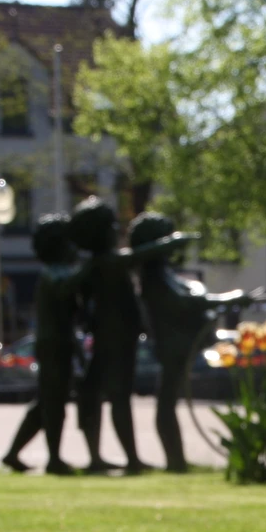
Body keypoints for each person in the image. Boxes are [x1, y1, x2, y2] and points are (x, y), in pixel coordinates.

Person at [128, 211, 254, 473]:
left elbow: (191, 294)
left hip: (182, 343)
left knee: (168, 399)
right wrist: (227, 298)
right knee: (167, 400)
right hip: (172, 345)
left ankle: (177, 460)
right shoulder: (153, 277)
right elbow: (185, 301)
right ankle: (175, 461)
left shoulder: (162, 273)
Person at [1, 214, 88, 475]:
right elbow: (65, 288)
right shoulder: (54, 274)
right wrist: (92, 268)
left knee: (46, 404)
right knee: (53, 404)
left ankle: (13, 454)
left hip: (60, 344)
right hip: (53, 346)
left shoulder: (59, 272)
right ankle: (54, 458)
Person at [71, 197, 148, 475]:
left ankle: (104, 458)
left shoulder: (94, 266)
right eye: (112, 225)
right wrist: (176, 241)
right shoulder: (107, 263)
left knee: (97, 395)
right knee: (118, 397)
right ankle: (129, 459)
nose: (117, 229)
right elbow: (142, 254)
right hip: (115, 340)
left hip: (109, 338)